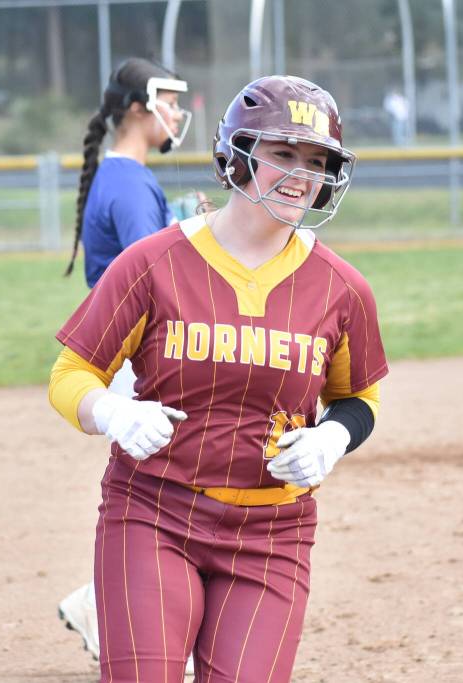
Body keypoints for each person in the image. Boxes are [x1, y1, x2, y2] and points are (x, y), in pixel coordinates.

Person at [48, 75, 388, 682]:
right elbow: (73, 372)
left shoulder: (343, 289)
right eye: (281, 152)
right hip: (153, 511)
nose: (300, 173)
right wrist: (114, 414)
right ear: (236, 154)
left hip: (274, 532)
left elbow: (357, 398)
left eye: (316, 160)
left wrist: (332, 438)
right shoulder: (153, 262)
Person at [55, 57, 198, 672]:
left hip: (121, 353)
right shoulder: (132, 182)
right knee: (164, 495)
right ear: (137, 108)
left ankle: (95, 601)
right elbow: (158, 278)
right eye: (166, 102)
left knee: (156, 493)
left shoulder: (124, 178)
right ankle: (109, 607)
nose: (175, 114)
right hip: (138, 358)